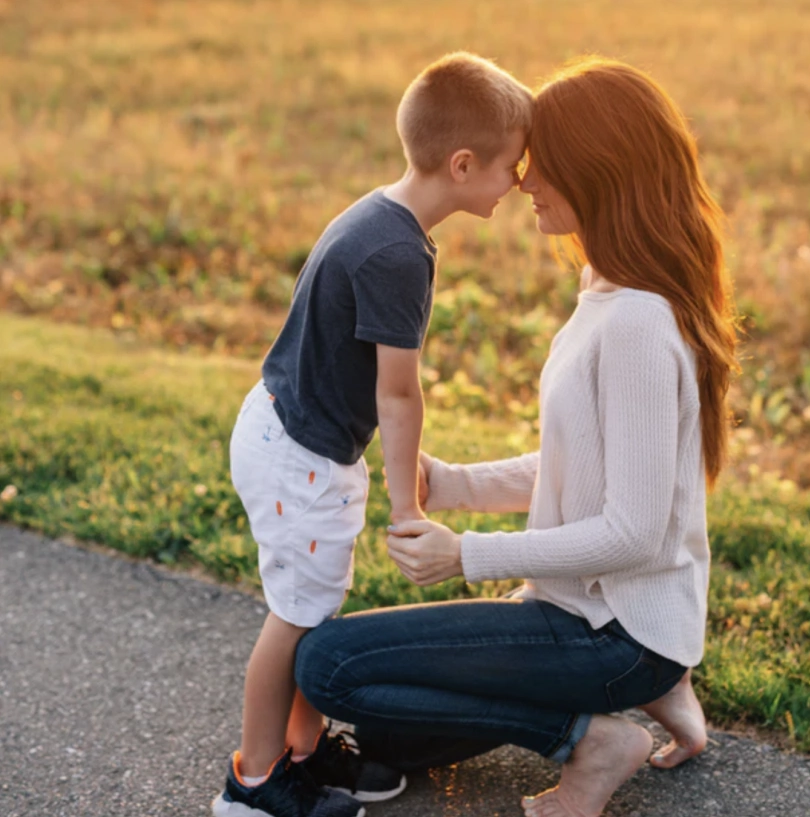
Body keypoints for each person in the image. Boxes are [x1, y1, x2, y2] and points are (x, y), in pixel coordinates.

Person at [294, 57, 739, 817]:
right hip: (602, 619)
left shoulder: (635, 322)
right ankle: (662, 686)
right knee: (390, 735)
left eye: (542, 163)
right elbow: (582, 469)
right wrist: (456, 480)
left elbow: (630, 532)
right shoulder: (607, 288)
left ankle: (594, 738)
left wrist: (465, 554)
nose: (525, 179)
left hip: (609, 634)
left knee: (328, 667)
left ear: (599, 172)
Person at [212, 52, 533, 817]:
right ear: (463, 164)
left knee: (313, 608)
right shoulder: (398, 252)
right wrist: (405, 506)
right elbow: (397, 392)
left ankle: (304, 747)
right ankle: (254, 786)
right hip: (301, 456)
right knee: (295, 614)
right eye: (511, 168)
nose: (519, 181)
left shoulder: (381, 215)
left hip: (289, 429)